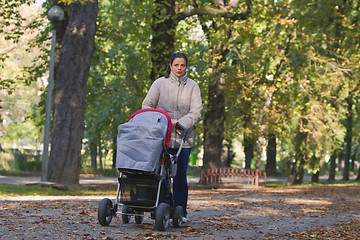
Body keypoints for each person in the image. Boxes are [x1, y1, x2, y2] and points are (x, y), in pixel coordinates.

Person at [142, 51, 202, 222]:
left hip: (183, 139)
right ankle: (161, 210)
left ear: (186, 66)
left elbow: (196, 111)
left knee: (180, 178)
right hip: (162, 138)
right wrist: (164, 120)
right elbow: (147, 105)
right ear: (170, 66)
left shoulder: (192, 86)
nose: (179, 68)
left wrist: (181, 123)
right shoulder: (160, 84)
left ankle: (180, 212)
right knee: (161, 176)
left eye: (182, 65)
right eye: (176, 65)